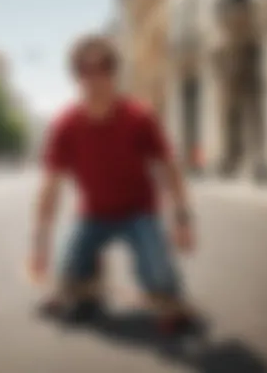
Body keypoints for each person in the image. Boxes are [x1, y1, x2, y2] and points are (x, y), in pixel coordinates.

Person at [29, 34, 195, 334]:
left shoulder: (139, 116)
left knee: (158, 277)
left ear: (114, 73)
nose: (94, 78)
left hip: (138, 212)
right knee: (69, 277)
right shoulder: (65, 124)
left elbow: (168, 168)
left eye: (102, 68)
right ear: (75, 76)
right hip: (92, 215)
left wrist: (182, 219)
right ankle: (89, 280)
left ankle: (171, 296)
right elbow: (50, 187)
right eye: (84, 70)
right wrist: (40, 245)